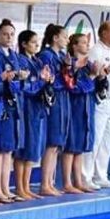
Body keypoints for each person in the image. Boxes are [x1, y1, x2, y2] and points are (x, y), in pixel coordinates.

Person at [83, 20, 110, 189]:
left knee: (107, 141)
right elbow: (91, 73)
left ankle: (101, 174)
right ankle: (86, 176)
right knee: (96, 138)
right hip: (100, 100)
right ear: (104, 33)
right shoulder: (95, 51)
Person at [14, 30, 51, 200]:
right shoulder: (21, 61)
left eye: (37, 42)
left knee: (33, 146)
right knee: (25, 148)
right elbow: (26, 86)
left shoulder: (36, 60)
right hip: (26, 106)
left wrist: (47, 79)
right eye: (33, 42)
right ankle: (20, 187)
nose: (37, 45)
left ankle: (26, 186)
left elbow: (39, 81)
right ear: (23, 44)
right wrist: (41, 80)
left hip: (37, 107)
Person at [63, 32, 100, 194]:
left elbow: (94, 87)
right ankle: (66, 182)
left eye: (87, 42)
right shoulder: (70, 64)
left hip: (87, 106)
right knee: (71, 145)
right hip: (74, 107)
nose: (87, 45)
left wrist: (101, 76)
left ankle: (78, 180)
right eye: (83, 43)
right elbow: (74, 87)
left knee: (80, 146)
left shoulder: (88, 64)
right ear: (74, 45)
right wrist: (91, 77)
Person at [0, 20, 23, 202]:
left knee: (8, 149)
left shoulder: (13, 54)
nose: (9, 38)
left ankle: (6, 188)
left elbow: (17, 81)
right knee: (0, 149)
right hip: (0, 104)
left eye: (11, 34)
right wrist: (7, 79)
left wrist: (19, 77)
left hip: (12, 104)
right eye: (5, 34)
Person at [37, 24, 69, 196]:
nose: (66, 39)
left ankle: (50, 182)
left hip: (63, 99)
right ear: (55, 38)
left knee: (57, 144)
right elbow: (51, 80)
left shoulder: (63, 55)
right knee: (51, 142)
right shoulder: (46, 55)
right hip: (53, 99)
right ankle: (44, 183)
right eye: (64, 36)